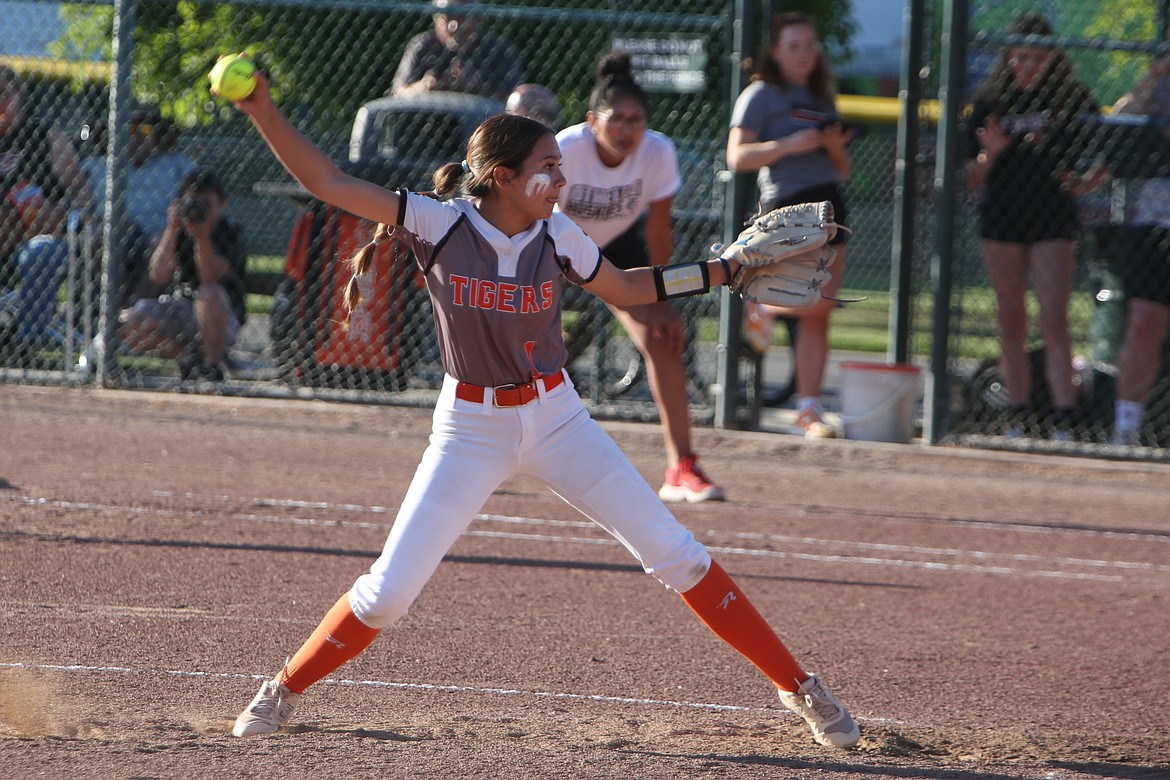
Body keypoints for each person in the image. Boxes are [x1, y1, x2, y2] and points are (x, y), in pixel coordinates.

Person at [224, 67, 860, 750]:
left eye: (559, 167)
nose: (561, 182)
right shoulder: (440, 223)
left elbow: (625, 286)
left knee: (677, 553)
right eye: (546, 169)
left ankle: (799, 688)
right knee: (388, 593)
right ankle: (283, 689)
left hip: (557, 419)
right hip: (469, 426)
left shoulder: (559, 235)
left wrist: (721, 269)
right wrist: (261, 107)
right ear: (501, 177)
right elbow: (327, 183)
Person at [555, 52, 724, 503]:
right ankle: (493, 448)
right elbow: (537, 221)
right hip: (552, 245)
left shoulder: (657, 151)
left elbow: (658, 228)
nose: (628, 130)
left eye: (637, 120)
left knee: (663, 338)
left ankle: (681, 468)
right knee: (520, 337)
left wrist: (664, 302)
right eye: (617, 119)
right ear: (592, 120)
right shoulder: (565, 149)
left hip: (614, 248)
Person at [964, 13, 1103, 440]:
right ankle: (1018, 415)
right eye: (1020, 57)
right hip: (1003, 218)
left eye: (1037, 58)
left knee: (1054, 318)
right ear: (1008, 57)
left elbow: (1111, 146)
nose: (1028, 66)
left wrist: (1088, 181)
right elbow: (968, 178)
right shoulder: (990, 102)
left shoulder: (1072, 99)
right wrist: (990, 155)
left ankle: (1064, 418)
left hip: (1052, 220)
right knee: (1010, 319)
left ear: (1052, 59)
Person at [725, 12, 854, 439]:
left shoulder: (821, 96)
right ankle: (760, 305)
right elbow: (737, 157)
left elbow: (842, 169)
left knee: (820, 311)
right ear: (776, 52)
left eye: (810, 46)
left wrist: (833, 147)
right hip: (786, 205)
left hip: (830, 202)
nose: (804, 55)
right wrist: (786, 145)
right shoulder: (761, 94)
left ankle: (809, 410)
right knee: (812, 301)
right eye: (794, 46)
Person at [0, 64, 92, 365]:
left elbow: (80, 192)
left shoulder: (44, 136)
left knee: (43, 250)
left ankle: (22, 344)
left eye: (5, 94)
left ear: (20, 97)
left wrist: (65, 215)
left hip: (34, 241)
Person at [118, 166, 247, 382]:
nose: (198, 210)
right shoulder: (176, 230)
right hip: (181, 309)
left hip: (221, 316)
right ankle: (190, 359)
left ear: (221, 204)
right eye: (192, 203)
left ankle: (211, 366)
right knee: (128, 320)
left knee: (209, 293)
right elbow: (158, 275)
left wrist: (202, 237)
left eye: (206, 204)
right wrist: (172, 230)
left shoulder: (229, 232)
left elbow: (210, 278)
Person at [1106, 47, 1170, 445]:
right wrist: (1155, 74)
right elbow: (1119, 119)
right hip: (1154, 226)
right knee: (1144, 323)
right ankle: (1126, 428)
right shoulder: (1157, 86)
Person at [81, 106, 197, 307]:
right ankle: (111, 311)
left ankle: (133, 315)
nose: (137, 137)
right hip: (114, 231)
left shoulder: (176, 164)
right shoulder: (98, 165)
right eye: (131, 130)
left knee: (163, 244)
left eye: (145, 130)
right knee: (99, 238)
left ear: (157, 135)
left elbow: (199, 190)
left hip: (157, 235)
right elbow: (78, 202)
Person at [391, 0, 523, 102]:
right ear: (436, 20)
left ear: (478, 19)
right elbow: (398, 92)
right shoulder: (422, 45)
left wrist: (475, 88)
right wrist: (425, 86)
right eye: (446, 17)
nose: (453, 26)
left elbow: (514, 101)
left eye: (461, 16)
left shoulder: (499, 50)